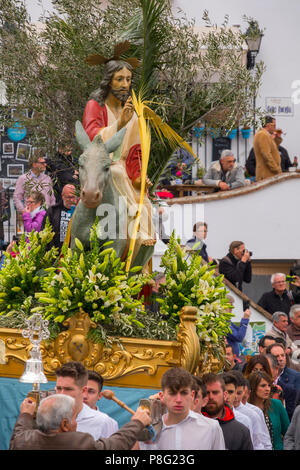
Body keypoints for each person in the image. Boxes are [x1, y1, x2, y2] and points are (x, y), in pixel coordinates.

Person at [82, 55, 155, 258]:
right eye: (119, 79)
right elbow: (91, 139)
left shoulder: (132, 111)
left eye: (129, 79)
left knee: (146, 202)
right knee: (116, 172)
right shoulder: (95, 106)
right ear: (108, 80)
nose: (125, 84)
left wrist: (139, 175)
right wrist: (119, 125)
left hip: (126, 169)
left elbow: (136, 150)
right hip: (101, 167)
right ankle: (133, 227)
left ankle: (144, 241)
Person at [9, 394, 151, 450]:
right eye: (74, 417)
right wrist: (137, 422)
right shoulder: (80, 443)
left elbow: (18, 433)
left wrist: (26, 414)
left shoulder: (22, 441)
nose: (76, 422)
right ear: (64, 425)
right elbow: (114, 445)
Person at [139, 367, 225, 450]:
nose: (178, 400)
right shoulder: (150, 431)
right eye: (172, 393)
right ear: (162, 396)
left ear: (192, 395)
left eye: (184, 393)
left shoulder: (211, 427)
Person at [55, 361, 118, 439]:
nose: (62, 394)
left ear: (83, 390)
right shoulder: (46, 416)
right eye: (59, 388)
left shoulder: (104, 422)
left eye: (68, 389)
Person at [202, 372, 253, 450]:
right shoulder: (190, 426)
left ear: (225, 395)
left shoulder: (241, 431)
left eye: (215, 392)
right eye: (207, 393)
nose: (211, 397)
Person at [248, 371, 290, 450]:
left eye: (269, 385)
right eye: (263, 386)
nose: (267, 389)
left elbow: (289, 433)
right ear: (253, 387)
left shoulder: (276, 404)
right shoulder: (246, 409)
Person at [265, 343, 300, 420]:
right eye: (277, 356)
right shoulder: (263, 376)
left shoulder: (296, 377)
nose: (281, 359)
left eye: (283, 355)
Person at [41, 184, 77, 251]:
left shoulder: (79, 211)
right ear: (62, 196)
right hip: (56, 252)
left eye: (73, 197)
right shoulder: (53, 211)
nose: (71, 200)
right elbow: (44, 231)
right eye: (68, 197)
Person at [83, 370, 118, 435]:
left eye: (91, 391)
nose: (84, 396)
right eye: (82, 390)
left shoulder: (108, 423)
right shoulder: (63, 418)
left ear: (99, 396)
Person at [222, 372, 254, 443]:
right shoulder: (207, 419)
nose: (227, 396)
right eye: (224, 392)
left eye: (230, 392)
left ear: (235, 393)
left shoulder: (244, 421)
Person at [253, 115, 282, 181]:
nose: (275, 128)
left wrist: (278, 137)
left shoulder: (266, 135)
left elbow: (273, 147)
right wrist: (276, 169)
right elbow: (266, 155)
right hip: (266, 175)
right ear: (268, 125)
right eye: (274, 125)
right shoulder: (263, 135)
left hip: (269, 175)